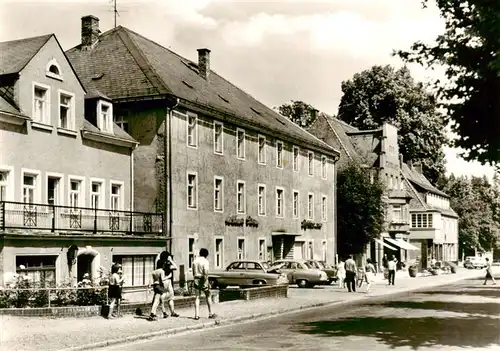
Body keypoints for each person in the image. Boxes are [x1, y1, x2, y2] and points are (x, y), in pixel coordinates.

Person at [148, 252, 179, 321]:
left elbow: (156, 262)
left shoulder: (157, 267)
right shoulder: (166, 266)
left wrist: (149, 286)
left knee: (158, 299)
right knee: (168, 298)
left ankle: (156, 313)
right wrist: (170, 260)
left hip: (158, 284)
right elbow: (176, 267)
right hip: (165, 282)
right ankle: (168, 312)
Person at [192, 248, 216, 320]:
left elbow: (193, 272)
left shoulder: (194, 261)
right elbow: (205, 272)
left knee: (197, 297)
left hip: (196, 278)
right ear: (206, 254)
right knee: (208, 295)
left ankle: (196, 315)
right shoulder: (205, 261)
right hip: (203, 278)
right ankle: (210, 313)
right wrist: (207, 282)